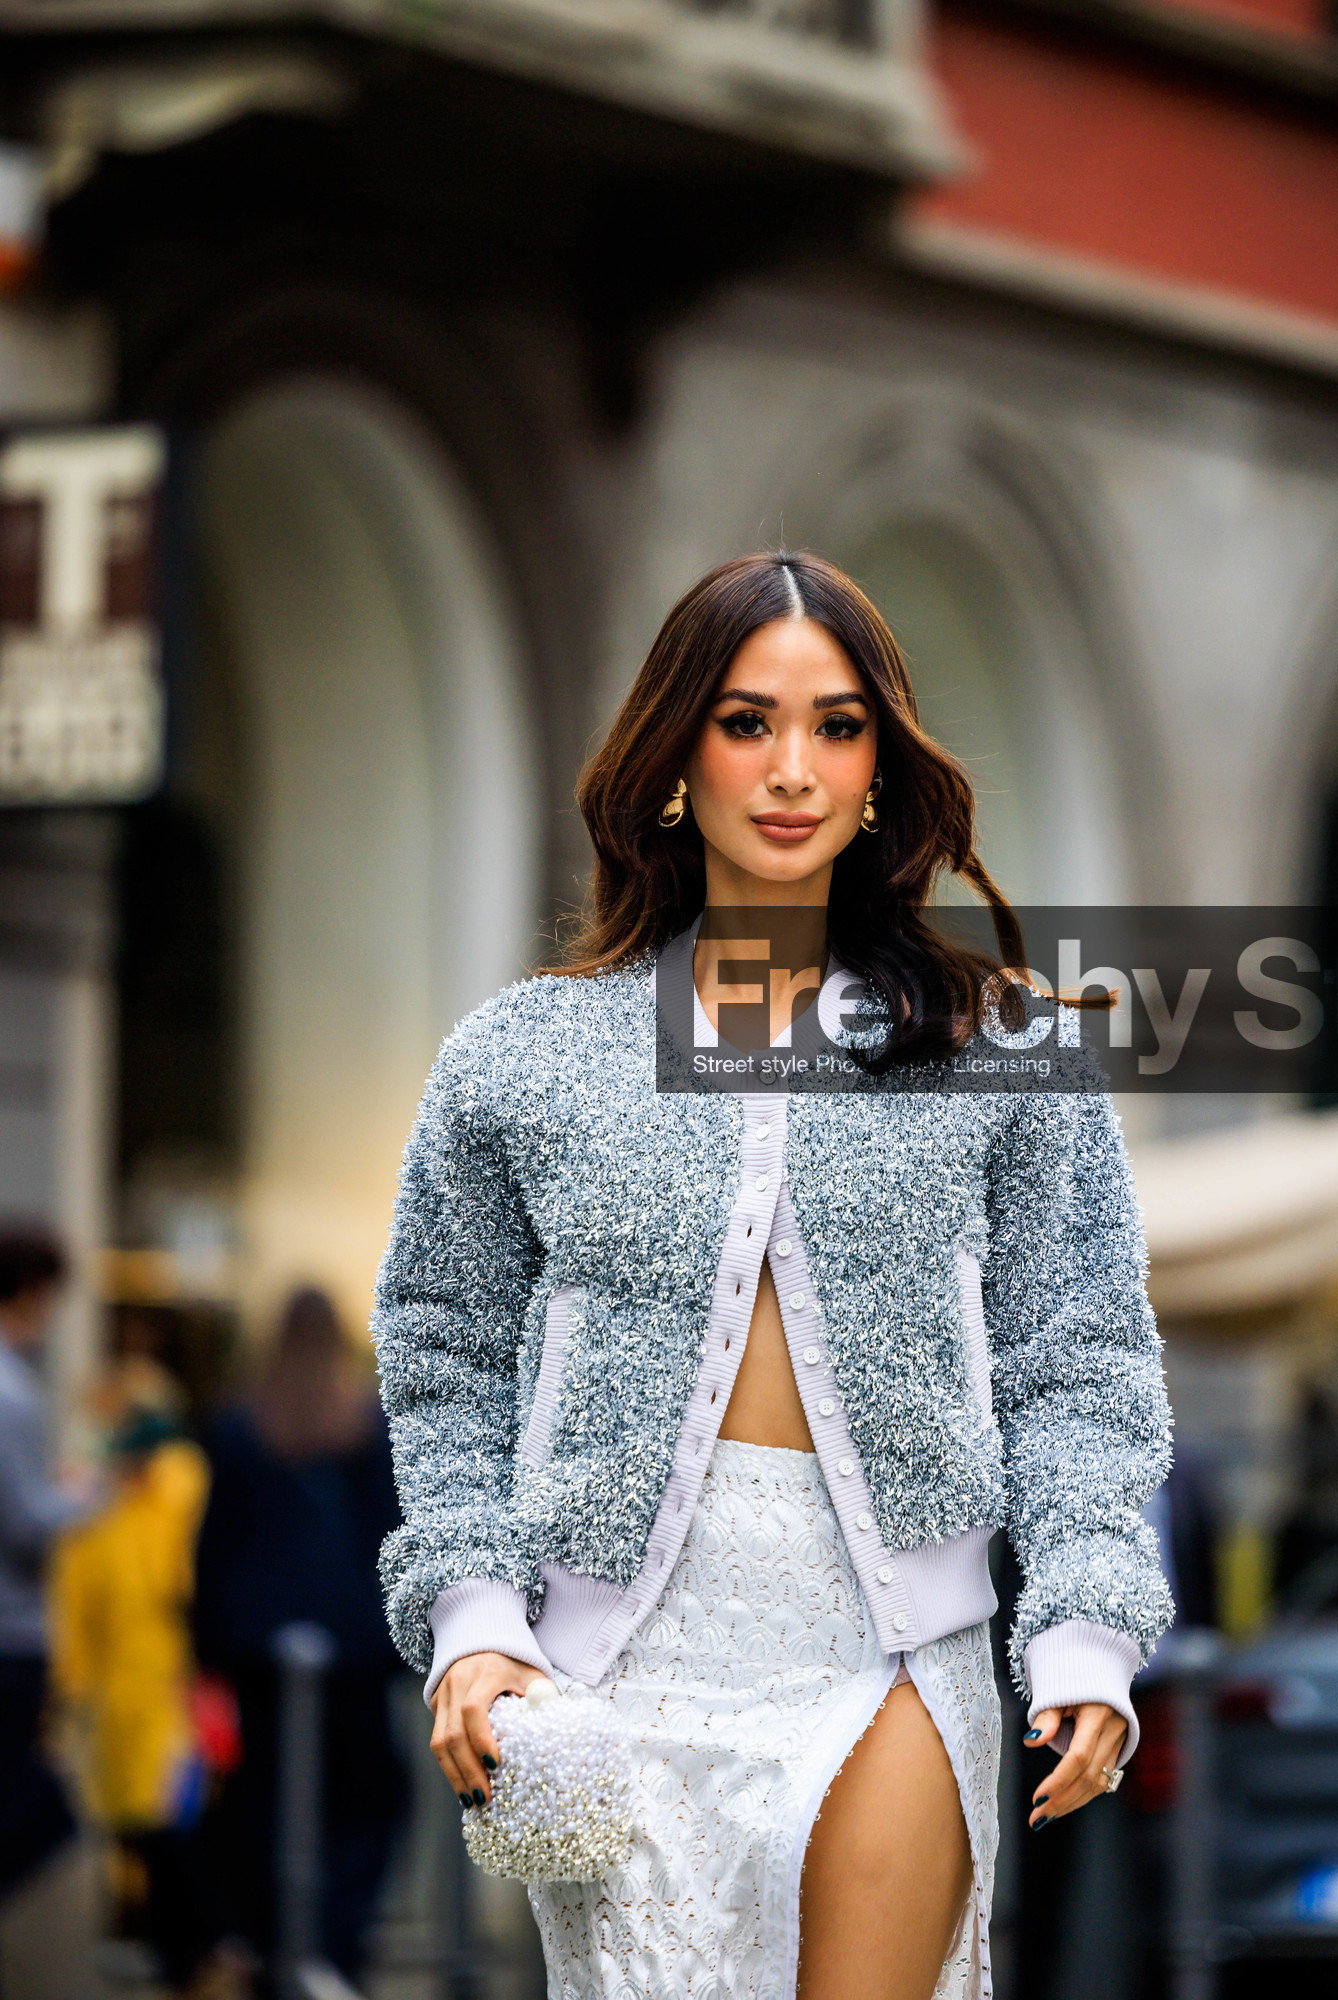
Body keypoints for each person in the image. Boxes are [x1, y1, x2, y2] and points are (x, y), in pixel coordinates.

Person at [372, 551, 1174, 2000]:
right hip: (604, 1668)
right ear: (676, 754)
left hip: (894, 1644)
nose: (793, 767)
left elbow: (1082, 1358)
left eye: (839, 725)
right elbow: (444, 1353)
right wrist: (473, 1626)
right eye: (747, 722)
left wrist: (1085, 1622)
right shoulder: (520, 1056)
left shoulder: (1006, 1049)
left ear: (883, 768)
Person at [194, 1287, 408, 1992]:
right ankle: (336, 1945)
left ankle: (272, 1947)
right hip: (352, 1647)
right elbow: (388, 1536)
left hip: (258, 1648)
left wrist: (204, 1648)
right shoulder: (366, 1425)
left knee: (259, 1804)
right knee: (371, 1798)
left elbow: (215, 1547)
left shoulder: (237, 1424)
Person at [50, 1405, 222, 1992]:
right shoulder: (100, 1516)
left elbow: (185, 1573)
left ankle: (200, 1956)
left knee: (182, 1826)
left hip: (186, 1697)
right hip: (127, 1702)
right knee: (144, 1831)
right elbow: (79, 1609)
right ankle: (181, 1960)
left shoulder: (179, 1491)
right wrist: (70, 1690)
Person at [0, 1226, 97, 1902]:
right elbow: (29, 1522)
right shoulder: (12, 1392)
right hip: (12, 1631)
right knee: (36, 1810)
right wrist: (98, 1491)